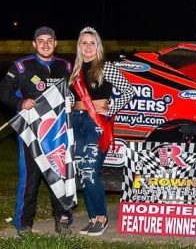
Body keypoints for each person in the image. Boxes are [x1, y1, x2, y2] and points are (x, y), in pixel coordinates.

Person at [0, 26, 73, 235]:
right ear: (34, 44)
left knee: (60, 174)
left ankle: (63, 218)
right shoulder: (22, 66)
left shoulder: (65, 66)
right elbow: (2, 91)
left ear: (56, 43)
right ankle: (24, 224)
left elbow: (76, 93)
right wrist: (20, 103)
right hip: (31, 132)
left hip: (58, 132)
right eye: (41, 40)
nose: (46, 44)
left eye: (50, 40)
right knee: (31, 177)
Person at [69, 26, 133, 236]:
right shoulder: (75, 69)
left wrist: (111, 108)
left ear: (98, 46)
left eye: (92, 42)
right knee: (82, 172)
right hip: (76, 122)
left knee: (90, 171)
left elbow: (128, 90)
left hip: (95, 123)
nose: (88, 47)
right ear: (79, 46)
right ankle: (92, 218)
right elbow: (73, 98)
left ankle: (102, 218)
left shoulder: (107, 67)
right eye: (84, 43)